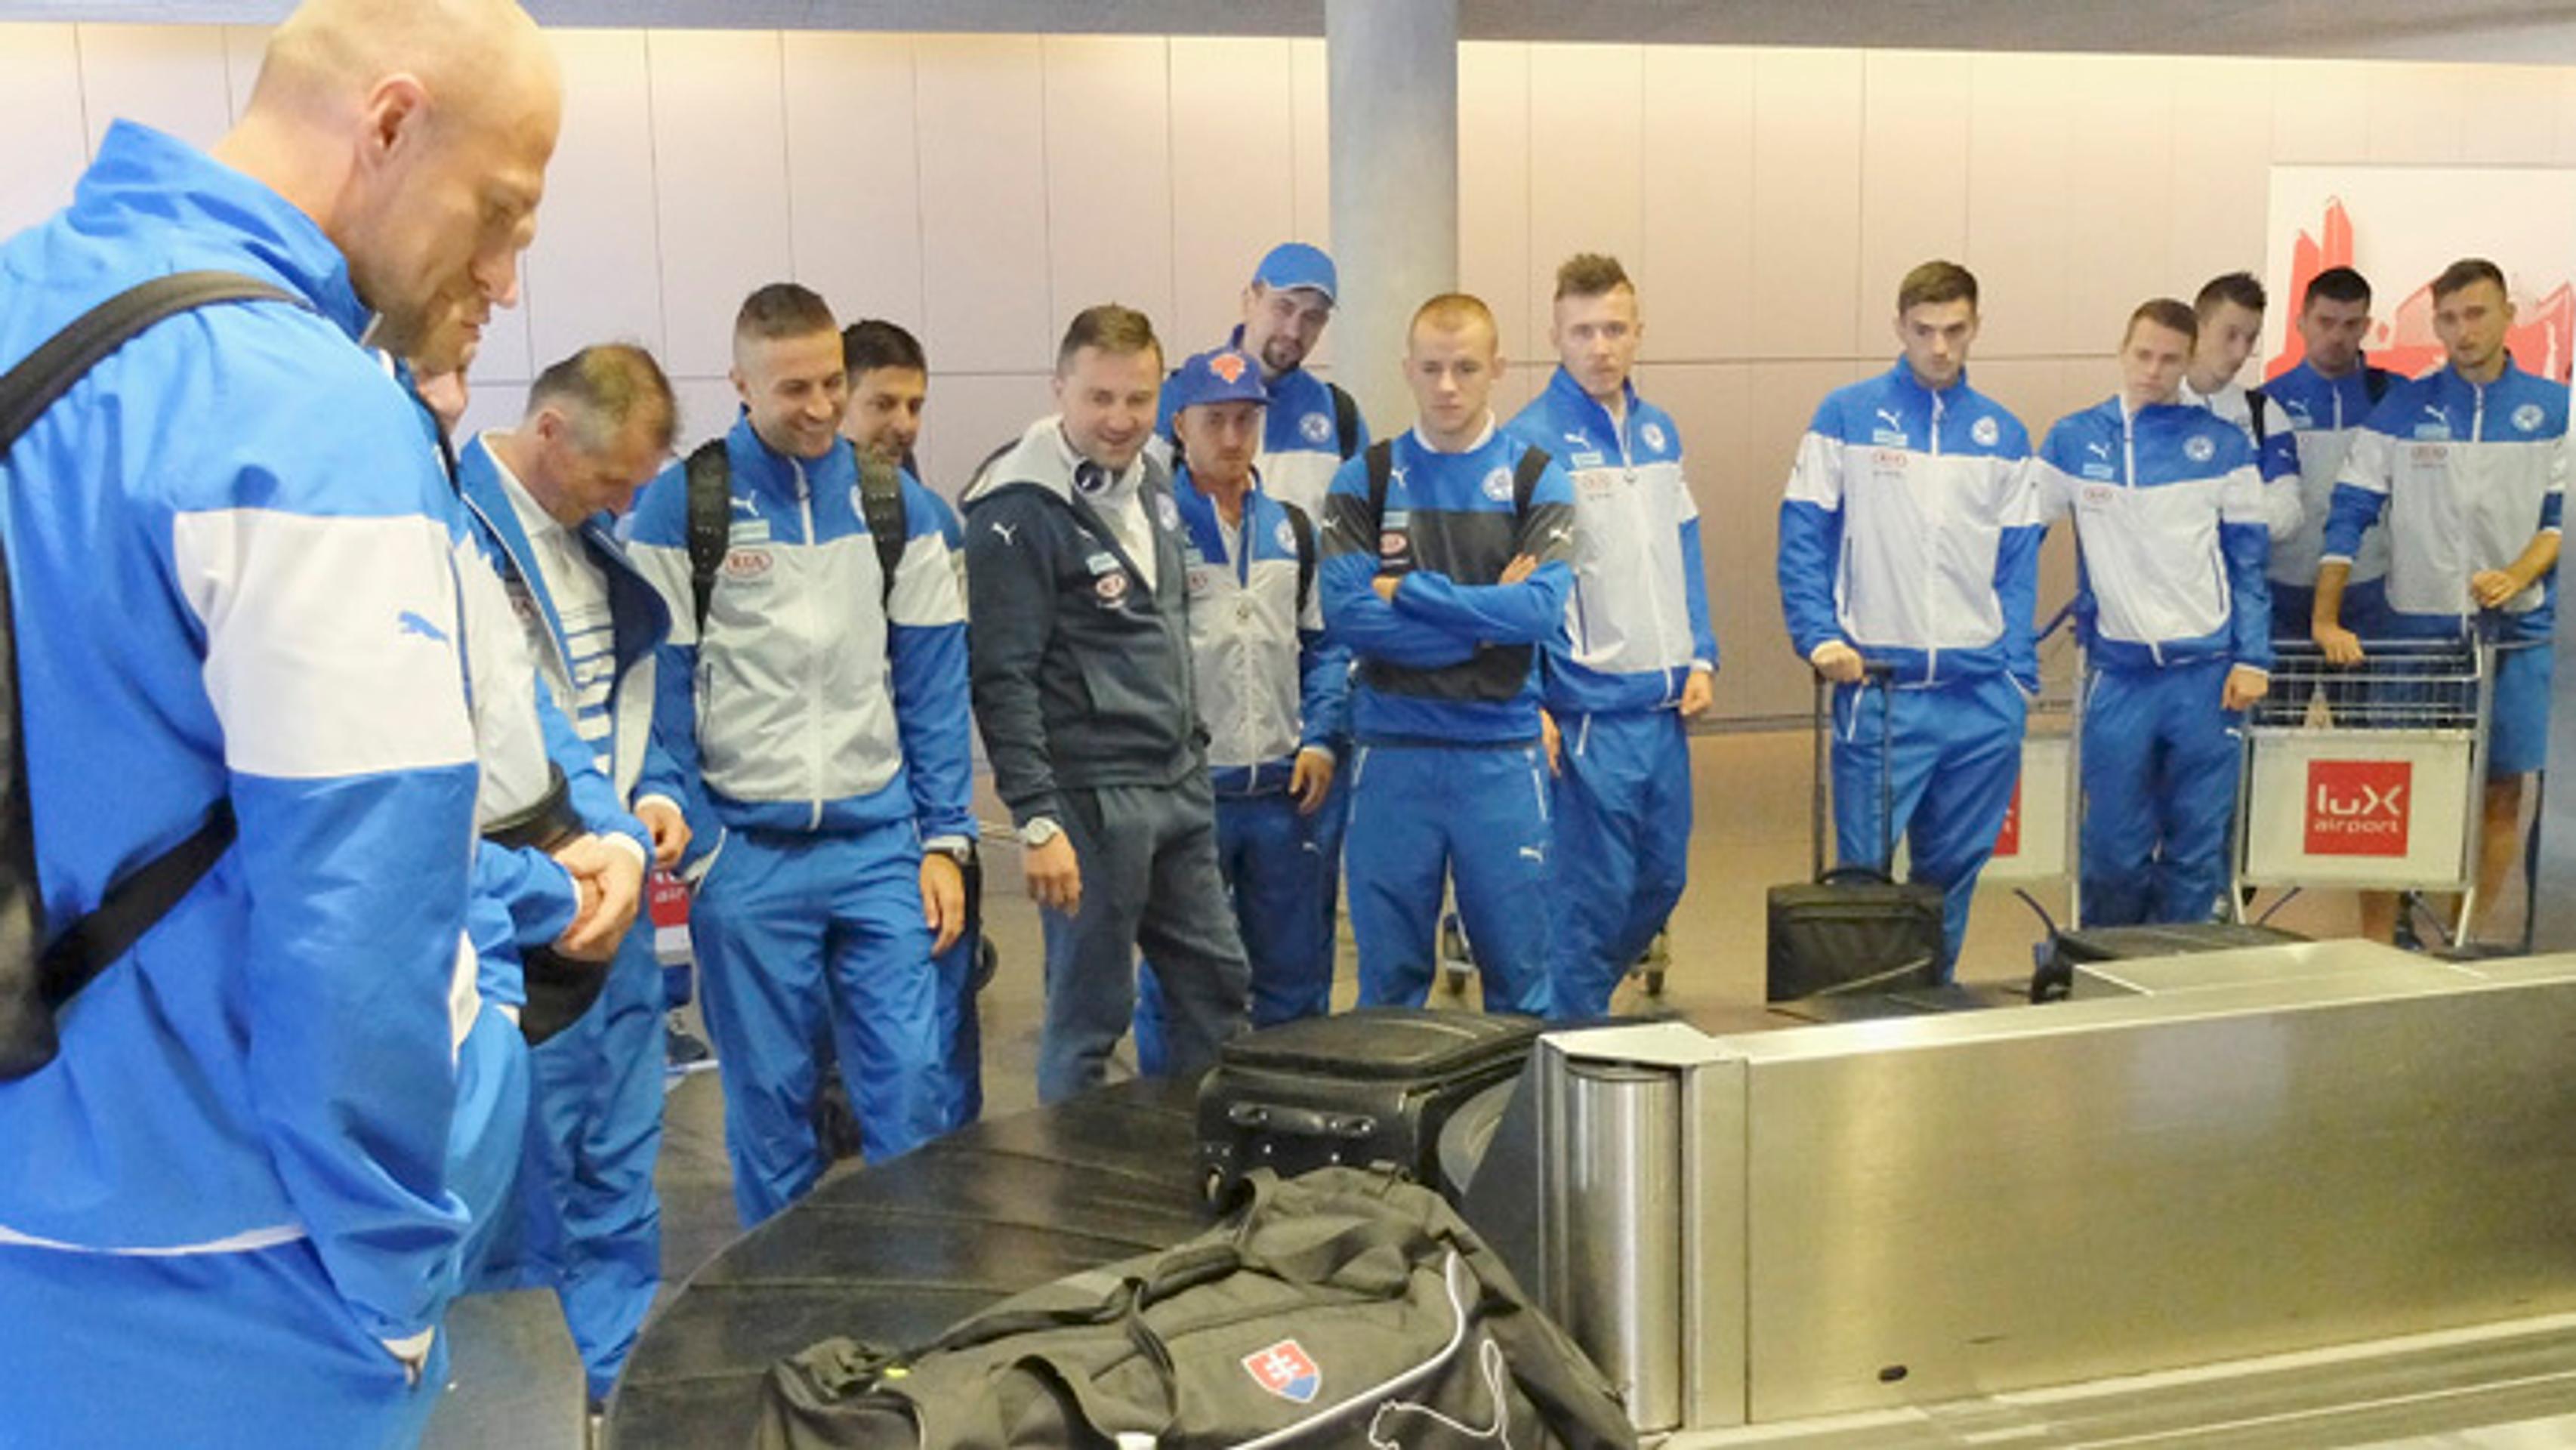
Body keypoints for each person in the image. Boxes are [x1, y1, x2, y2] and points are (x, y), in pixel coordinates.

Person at [0, 2, 562, 1445]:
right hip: (241, 1275)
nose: (501, 271)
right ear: (387, 124)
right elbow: (359, 927)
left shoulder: (20, 306)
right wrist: (391, 1281)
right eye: (499, 212)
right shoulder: (302, 413)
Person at [628, 283, 973, 1226]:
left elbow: (934, 687)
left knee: (911, 1090)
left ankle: (919, 1311)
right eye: (793, 390)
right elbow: (653, 693)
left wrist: (947, 841)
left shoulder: (898, 507)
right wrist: (701, 846)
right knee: (773, 1111)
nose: (821, 408)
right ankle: (778, 1321)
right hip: (747, 857)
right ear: (740, 383)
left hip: (879, 852)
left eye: (832, 383)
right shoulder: (681, 508)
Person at [454, 345, 686, 1415]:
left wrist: (640, 822)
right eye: (611, 478)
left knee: (617, 1168)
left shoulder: (597, 544)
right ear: (548, 431)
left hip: (612, 888)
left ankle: (615, 1390)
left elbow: (616, 706)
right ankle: (527, 1410)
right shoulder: (448, 527)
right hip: (514, 907)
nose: (627, 500)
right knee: (520, 1192)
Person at [962, 304, 1252, 1103]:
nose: (1120, 421)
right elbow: (1003, 677)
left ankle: (1198, 1169)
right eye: (1099, 399)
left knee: (1218, 989)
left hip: (1175, 783)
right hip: (1090, 800)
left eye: (1139, 399)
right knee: (1090, 1017)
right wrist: (1037, 817)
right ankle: (1077, 1207)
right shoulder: (1016, 509)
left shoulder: (1155, 478)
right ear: (1060, 388)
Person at [1776, 260, 2038, 980]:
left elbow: (2018, 565)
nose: (1940, 347)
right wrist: (1819, 636)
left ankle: (1931, 999)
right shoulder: (1845, 416)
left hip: (1980, 695)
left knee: (1951, 876)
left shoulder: (2004, 434)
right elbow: (1803, 533)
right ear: (1898, 328)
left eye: (1955, 331)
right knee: (1863, 878)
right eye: (1923, 331)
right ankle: (1858, 1019)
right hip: (1881, 690)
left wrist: (2017, 677)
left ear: (1975, 327)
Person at [1319, 293, 1577, 1017]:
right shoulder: (1364, 480)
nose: (1447, 387)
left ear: (1497, 368)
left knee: (1521, 981)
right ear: (1407, 369)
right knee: (1389, 986)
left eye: (1466, 368)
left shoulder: (1535, 479)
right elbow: (1348, 616)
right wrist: (1486, 621)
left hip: (1501, 756)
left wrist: (1409, 592)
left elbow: (1540, 610)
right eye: (1431, 368)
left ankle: (1512, 1131)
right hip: (1391, 754)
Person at [2318, 258, 2565, 947]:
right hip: (2414, 635)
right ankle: (2373, 949)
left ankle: (2459, 946)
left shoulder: (2552, 409)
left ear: (2507, 315)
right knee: (2394, 792)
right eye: (2450, 318)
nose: (2463, 330)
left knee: (2499, 794)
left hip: (2517, 636)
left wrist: (2515, 575)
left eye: (2477, 313)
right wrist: (2324, 615)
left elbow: (2558, 520)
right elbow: (2350, 508)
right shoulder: (2402, 408)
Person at [1505, 255, 1714, 1018]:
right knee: (1588, 898)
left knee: (1663, 879)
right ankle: (1566, 1043)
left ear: (1638, 333)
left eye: (1615, 329)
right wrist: (1530, 698)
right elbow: (1518, 588)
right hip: (1587, 712)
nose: (1600, 346)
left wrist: (1704, 652)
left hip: (1664, 711)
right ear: (1555, 337)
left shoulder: (1660, 433)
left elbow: (1682, 543)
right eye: (1583, 331)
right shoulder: (1531, 444)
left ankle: (1574, 1008)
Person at [1137, 347, 1348, 1059]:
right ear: (1179, 425)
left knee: (1294, 975)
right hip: (1193, 798)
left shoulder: (1292, 527)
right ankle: (1169, 1126)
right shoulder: (1152, 530)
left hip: (1284, 795)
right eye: (1215, 421)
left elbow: (1323, 645)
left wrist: (1320, 738)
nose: (1231, 438)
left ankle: (1289, 1123)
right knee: (1182, 980)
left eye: (1246, 420)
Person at [2037, 298, 2272, 927]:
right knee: (2112, 848)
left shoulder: (2223, 445)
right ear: (2121, 350)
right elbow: (2012, 540)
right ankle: (2107, 972)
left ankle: (2182, 982)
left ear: (2188, 360)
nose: (2153, 370)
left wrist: (2254, 657)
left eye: (2170, 359)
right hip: (2120, 676)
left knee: (2196, 847)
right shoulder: (2071, 439)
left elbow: (2249, 563)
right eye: (2142, 354)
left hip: (2207, 677)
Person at [841, 316, 987, 1129]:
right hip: (836, 820)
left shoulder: (932, 519)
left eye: (915, 406)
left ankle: (946, 1178)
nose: (902, 424)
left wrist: (947, 827)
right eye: (882, 403)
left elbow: (947, 681)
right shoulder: (791, 516)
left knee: (937, 1031)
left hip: (921, 815)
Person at [2183, 270, 2303, 545]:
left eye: (2250, 338)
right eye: (2231, 335)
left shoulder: (2263, 411)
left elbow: (2288, 515)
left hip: (2242, 583)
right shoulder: (2156, 407)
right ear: (2198, 328)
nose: (2241, 352)